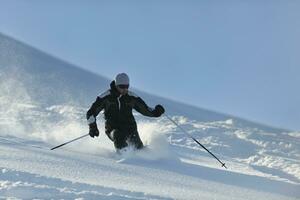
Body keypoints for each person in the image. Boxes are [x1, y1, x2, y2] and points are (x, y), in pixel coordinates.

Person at [86, 73, 165, 151]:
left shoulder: (131, 97)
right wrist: (92, 127)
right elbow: (91, 113)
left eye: (127, 86)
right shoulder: (106, 97)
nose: (125, 89)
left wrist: (156, 112)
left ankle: (145, 159)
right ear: (116, 85)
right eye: (122, 87)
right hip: (113, 128)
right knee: (118, 136)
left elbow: (145, 110)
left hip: (130, 128)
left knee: (138, 148)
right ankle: (124, 158)